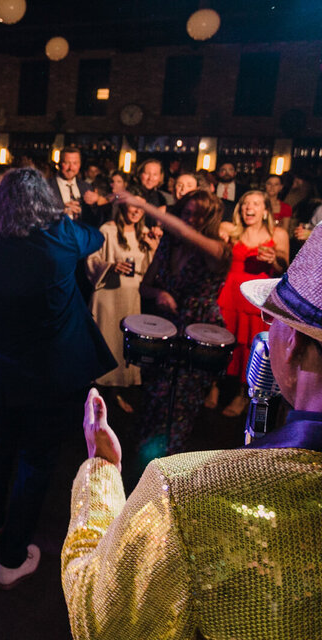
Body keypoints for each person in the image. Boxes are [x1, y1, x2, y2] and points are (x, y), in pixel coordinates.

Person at [61, 219, 322, 639]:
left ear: (296, 343)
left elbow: (99, 622)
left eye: (274, 320)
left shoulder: (186, 495)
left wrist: (100, 474)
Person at [0, 168, 112, 588]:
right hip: (53, 376)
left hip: (2, 373)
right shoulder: (62, 237)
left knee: (0, 444)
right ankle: (11, 559)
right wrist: (68, 215)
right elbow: (95, 238)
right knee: (36, 463)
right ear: (47, 203)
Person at [126, 190, 231, 459]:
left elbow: (187, 234)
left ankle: (169, 467)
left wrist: (142, 204)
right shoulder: (170, 244)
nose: (192, 219)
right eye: (187, 213)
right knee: (154, 395)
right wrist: (160, 294)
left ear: (211, 219)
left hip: (199, 332)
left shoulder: (218, 248)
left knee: (181, 403)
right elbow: (145, 287)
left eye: (199, 215)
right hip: (169, 328)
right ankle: (143, 463)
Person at [214, 190, 290, 417]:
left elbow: (284, 268)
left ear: (265, 210)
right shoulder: (230, 230)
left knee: (250, 347)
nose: (249, 208)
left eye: (256, 204)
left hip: (256, 298)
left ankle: (242, 395)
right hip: (229, 294)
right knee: (222, 342)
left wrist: (274, 259)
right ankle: (214, 386)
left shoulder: (278, 234)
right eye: (245, 203)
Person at [87, 196, 157, 411]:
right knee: (105, 342)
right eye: (133, 206)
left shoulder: (145, 234)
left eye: (141, 207)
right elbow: (91, 259)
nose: (136, 211)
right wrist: (111, 266)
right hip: (107, 295)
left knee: (122, 345)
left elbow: (153, 272)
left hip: (131, 296)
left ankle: (116, 393)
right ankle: (95, 397)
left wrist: (154, 248)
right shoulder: (107, 230)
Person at [51, 146, 93, 221]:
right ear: (60, 163)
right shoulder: (46, 186)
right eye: (66, 163)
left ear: (79, 165)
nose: (71, 168)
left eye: (75, 163)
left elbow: (92, 218)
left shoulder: (86, 187)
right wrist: (61, 211)